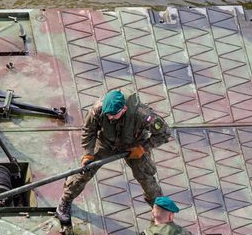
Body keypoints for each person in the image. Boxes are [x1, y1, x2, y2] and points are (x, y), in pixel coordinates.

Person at [56, 89, 171, 224]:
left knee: (146, 178)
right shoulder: (98, 109)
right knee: (84, 171)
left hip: (134, 145)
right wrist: (88, 153)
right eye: (108, 115)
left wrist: (143, 148)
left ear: (124, 109)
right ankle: (65, 200)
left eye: (113, 115)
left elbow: (164, 133)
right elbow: (89, 131)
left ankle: (160, 212)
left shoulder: (142, 114)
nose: (110, 118)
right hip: (106, 143)